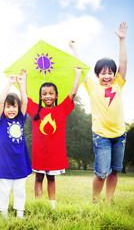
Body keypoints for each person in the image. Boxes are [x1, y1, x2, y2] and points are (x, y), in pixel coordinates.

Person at [71, 23, 128, 202]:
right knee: (102, 173)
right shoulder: (92, 87)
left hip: (120, 135)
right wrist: (74, 48)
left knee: (115, 171)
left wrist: (122, 40)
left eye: (110, 73)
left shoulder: (118, 84)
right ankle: (95, 201)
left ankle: (108, 201)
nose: (107, 76)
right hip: (101, 136)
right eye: (103, 73)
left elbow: (123, 63)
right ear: (97, 75)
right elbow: (81, 66)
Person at [27, 60, 82, 209]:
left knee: (51, 178)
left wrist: (78, 74)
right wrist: (23, 79)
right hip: (39, 153)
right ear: (40, 96)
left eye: (51, 93)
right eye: (44, 94)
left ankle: (52, 205)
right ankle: (38, 205)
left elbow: (73, 93)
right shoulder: (35, 111)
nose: (48, 96)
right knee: (38, 177)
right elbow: (23, 98)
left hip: (54, 153)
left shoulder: (61, 110)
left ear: (56, 95)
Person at [0, 70, 32, 219]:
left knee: (20, 190)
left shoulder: (20, 119)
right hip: (4, 163)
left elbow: (25, 101)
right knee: (4, 190)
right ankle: (3, 213)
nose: (11, 109)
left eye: (14, 106)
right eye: (8, 107)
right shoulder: (1, 121)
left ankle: (20, 213)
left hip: (20, 162)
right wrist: (9, 83)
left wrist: (22, 84)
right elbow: (1, 100)